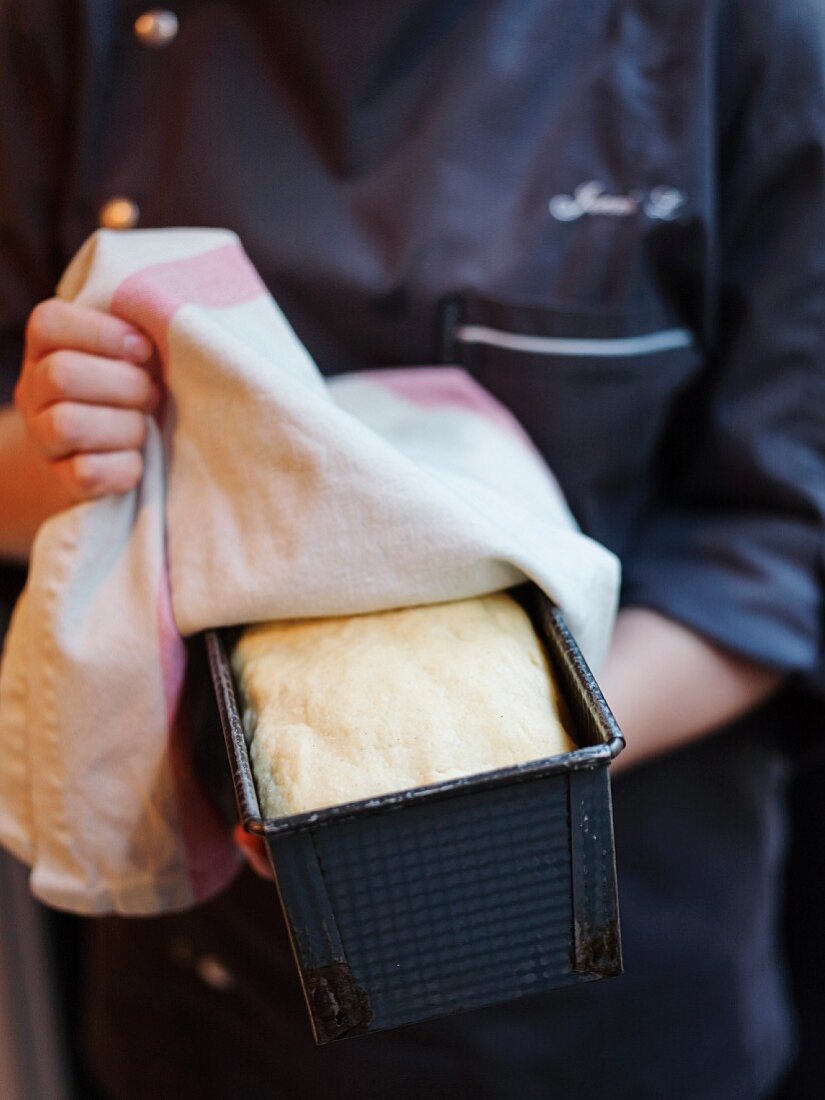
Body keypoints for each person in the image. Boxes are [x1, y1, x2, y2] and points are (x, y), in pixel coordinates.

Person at [0, 2, 822, 1097]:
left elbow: (781, 534)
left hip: (602, 1011)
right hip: (206, 1003)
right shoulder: (65, 27)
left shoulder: (755, 34)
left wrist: (490, 773)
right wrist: (76, 459)